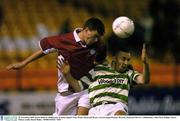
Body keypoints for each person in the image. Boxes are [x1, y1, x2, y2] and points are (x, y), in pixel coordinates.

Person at [6, 17, 105, 115]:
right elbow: (44, 51)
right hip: (66, 93)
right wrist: (24, 63)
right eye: (95, 36)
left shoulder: (97, 45)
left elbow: (102, 61)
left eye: (98, 37)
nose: (96, 40)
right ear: (87, 30)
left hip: (86, 90)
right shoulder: (64, 40)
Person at [87, 43, 150, 115]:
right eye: (123, 59)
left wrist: (145, 63)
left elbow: (144, 80)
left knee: (120, 114)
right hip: (95, 109)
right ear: (114, 58)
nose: (126, 63)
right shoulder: (98, 69)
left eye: (128, 60)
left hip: (116, 106)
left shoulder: (128, 73)